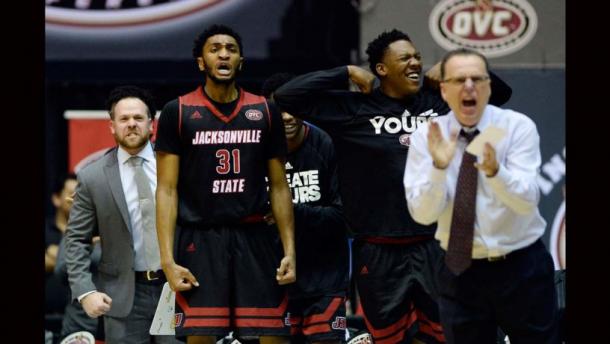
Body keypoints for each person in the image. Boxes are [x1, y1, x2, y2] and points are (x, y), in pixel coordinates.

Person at [274, 29, 511, 343]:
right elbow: (286, 96)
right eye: (405, 58)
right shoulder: (354, 109)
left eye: (417, 57)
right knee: (388, 339)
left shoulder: (440, 103)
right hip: (377, 251)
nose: (414, 63)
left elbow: (501, 93)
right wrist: (345, 72)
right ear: (381, 69)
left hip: (436, 247)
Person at [403, 48, 559, 343]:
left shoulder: (517, 128)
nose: (469, 86)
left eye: (477, 78)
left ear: (489, 86)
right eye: (459, 79)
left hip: (521, 264)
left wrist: (495, 172)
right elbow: (422, 214)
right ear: (444, 89)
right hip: (460, 269)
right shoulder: (427, 137)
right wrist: (438, 167)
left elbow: (527, 200)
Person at [155, 24, 296, 344]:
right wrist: (167, 260)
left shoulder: (265, 110)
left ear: (241, 61)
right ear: (201, 62)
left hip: (255, 236)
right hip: (201, 239)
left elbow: (279, 186)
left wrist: (290, 250)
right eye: (215, 48)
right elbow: (166, 190)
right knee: (201, 335)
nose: (223, 54)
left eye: (231, 49)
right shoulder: (178, 112)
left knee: (272, 333)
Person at [64, 85, 180, 344]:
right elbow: (76, 240)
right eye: (124, 119)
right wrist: (85, 291)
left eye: (138, 118)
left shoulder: (177, 166)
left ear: (152, 124)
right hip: (123, 294)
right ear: (112, 126)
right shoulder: (92, 177)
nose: (131, 124)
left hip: (175, 289)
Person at [262, 73, 350, 344]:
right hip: (270, 277)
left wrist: (288, 210)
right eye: (279, 109)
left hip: (324, 276)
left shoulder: (328, 144)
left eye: (294, 107)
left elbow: (344, 217)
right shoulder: (255, 150)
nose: (287, 117)